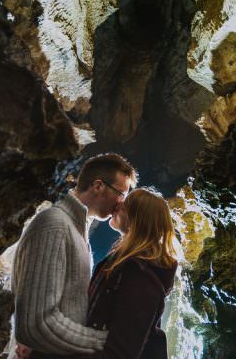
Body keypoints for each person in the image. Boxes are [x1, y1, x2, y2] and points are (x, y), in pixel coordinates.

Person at [12, 153, 137, 357]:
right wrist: (108, 341)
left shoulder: (75, 228)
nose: (121, 204)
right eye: (120, 194)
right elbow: (35, 324)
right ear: (98, 186)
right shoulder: (55, 225)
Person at [74, 187, 180, 359]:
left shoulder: (141, 277)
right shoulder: (126, 263)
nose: (117, 205)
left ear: (136, 220)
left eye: (125, 204)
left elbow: (119, 352)